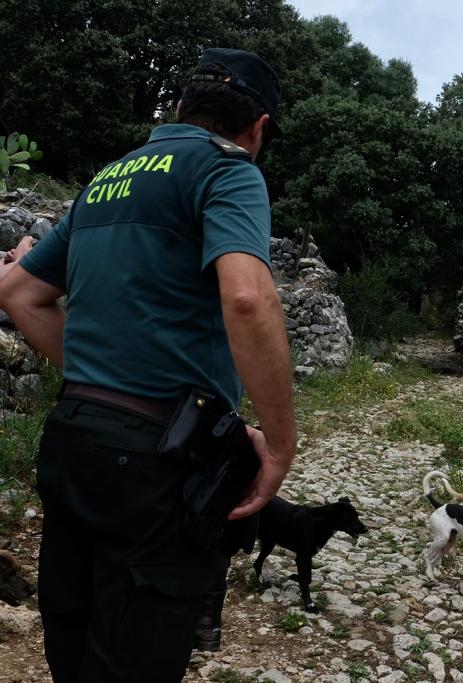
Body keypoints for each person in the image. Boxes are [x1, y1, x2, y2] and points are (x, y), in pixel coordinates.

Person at [0, 48, 296, 682]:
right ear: (258, 127)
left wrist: (100, 375)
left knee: (74, 648)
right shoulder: (229, 171)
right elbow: (247, 297)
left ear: (181, 107)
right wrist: (279, 442)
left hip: (73, 437)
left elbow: (19, 293)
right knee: (137, 656)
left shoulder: (106, 180)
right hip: (161, 462)